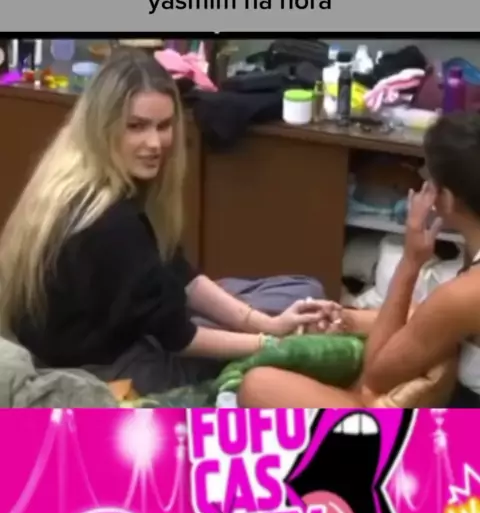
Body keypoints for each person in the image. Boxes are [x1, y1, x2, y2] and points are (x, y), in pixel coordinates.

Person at [0, 47, 334, 399]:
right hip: (104, 370)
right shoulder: (111, 222)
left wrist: (266, 323)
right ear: (103, 127)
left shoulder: (80, 175)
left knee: (302, 290)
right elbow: (179, 337)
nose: (155, 143)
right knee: (291, 320)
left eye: (163, 126)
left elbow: (175, 271)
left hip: (129, 333)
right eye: (136, 126)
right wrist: (271, 343)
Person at [238, 112, 480, 409]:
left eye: (428, 181)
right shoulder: (465, 281)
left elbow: (377, 376)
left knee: (258, 387)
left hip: (464, 430)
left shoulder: (463, 295)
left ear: (448, 199)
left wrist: (410, 261)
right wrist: (348, 319)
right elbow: (429, 317)